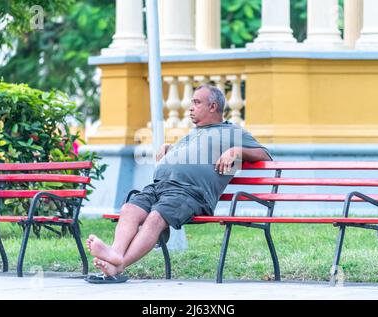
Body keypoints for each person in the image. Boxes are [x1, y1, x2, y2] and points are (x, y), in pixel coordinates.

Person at [86, 84, 272, 280]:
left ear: (213, 106)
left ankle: (119, 264)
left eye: (196, 102)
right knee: (129, 209)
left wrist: (237, 151)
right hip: (160, 186)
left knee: (155, 218)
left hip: (190, 193)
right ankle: (115, 253)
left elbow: (265, 155)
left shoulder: (232, 132)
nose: (190, 107)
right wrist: (171, 149)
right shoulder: (193, 133)